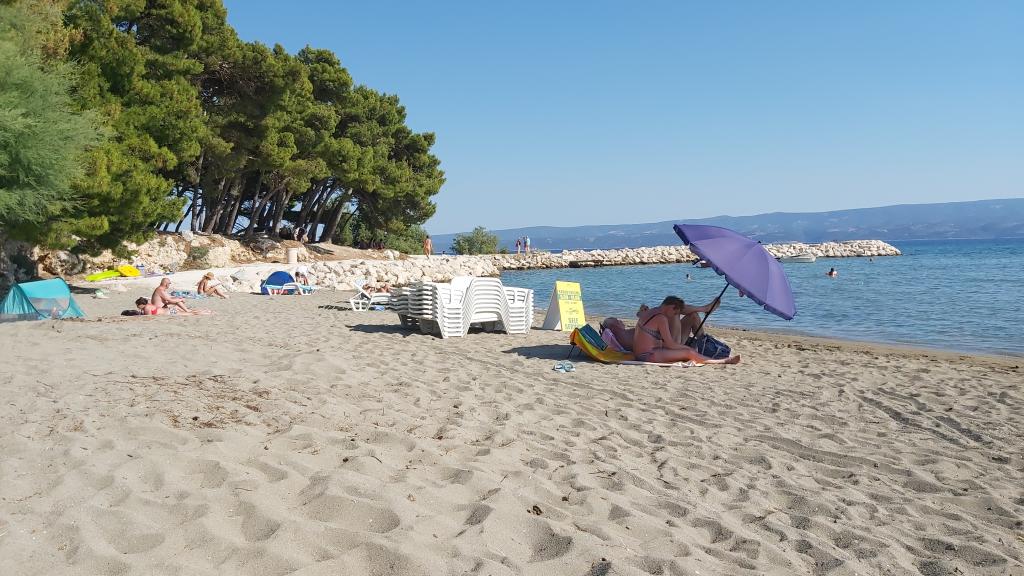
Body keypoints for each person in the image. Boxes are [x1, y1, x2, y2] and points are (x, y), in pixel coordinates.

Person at [632, 296, 740, 364]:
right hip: (648, 355)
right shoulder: (661, 318)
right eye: (675, 312)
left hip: (645, 352)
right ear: (670, 307)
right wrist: (687, 348)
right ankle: (723, 361)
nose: (675, 315)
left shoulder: (652, 311)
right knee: (689, 352)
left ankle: (705, 310)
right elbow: (670, 344)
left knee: (689, 349)